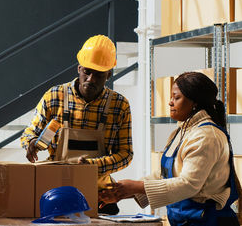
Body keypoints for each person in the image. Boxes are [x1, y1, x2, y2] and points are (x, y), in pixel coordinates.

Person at [100, 72, 240, 226]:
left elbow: (189, 184)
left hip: (208, 221)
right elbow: (164, 175)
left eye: (176, 97)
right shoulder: (183, 130)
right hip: (187, 220)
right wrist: (123, 191)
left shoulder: (206, 136)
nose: (170, 102)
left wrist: (136, 186)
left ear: (195, 102)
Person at [20, 34, 133, 215]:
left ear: (109, 74)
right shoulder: (54, 96)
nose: (90, 79)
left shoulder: (119, 105)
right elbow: (29, 133)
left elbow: (126, 154)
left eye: (98, 74)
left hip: (99, 196)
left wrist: (93, 167)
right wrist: (31, 143)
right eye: (87, 72)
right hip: (54, 192)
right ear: (79, 68)